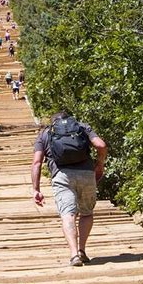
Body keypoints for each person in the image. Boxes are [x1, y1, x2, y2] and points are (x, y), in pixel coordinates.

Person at [31, 111, 107, 267]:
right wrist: (100, 163)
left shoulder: (45, 133)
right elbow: (101, 145)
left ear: (53, 122)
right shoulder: (82, 127)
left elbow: (37, 163)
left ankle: (73, 255)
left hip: (62, 176)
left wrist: (36, 189)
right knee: (86, 213)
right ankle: (82, 251)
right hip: (86, 174)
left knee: (68, 215)